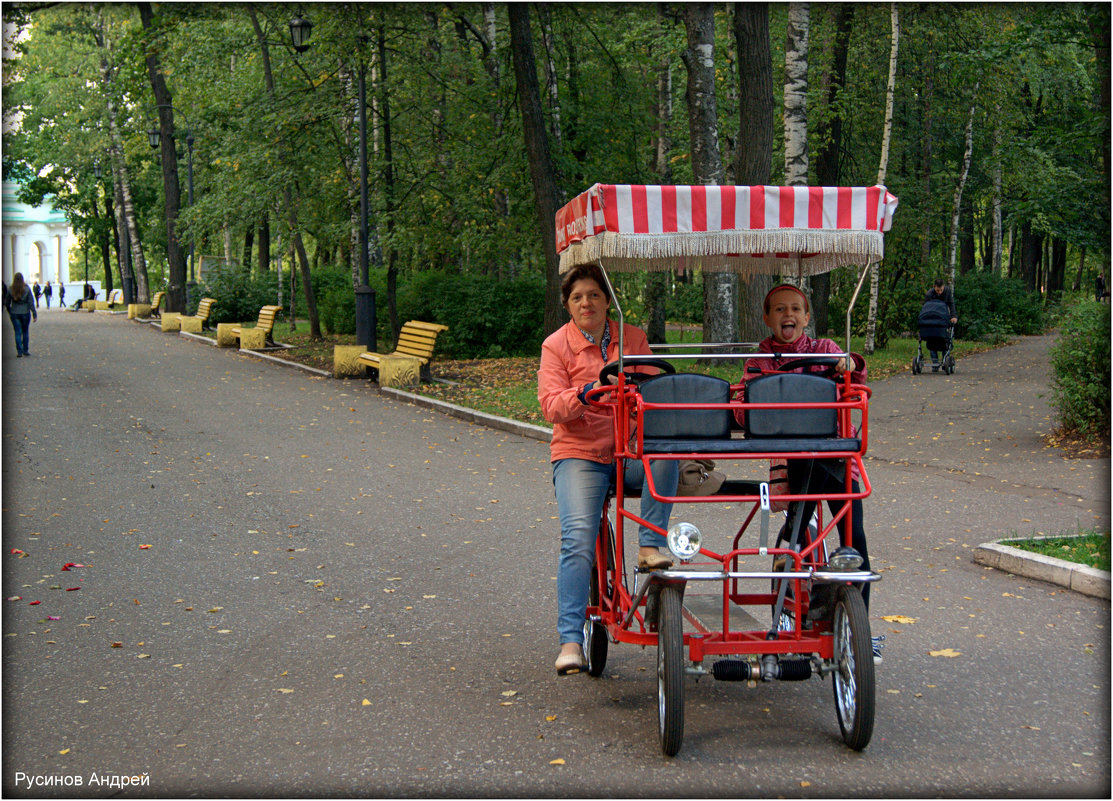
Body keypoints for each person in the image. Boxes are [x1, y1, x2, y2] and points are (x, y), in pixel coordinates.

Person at [538, 263, 679, 675]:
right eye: (578, 297)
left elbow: (657, 390)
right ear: (568, 305)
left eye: (595, 295)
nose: (587, 303)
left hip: (627, 454)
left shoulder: (631, 338)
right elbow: (551, 406)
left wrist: (640, 398)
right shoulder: (555, 346)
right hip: (579, 453)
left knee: (666, 450)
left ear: (607, 300)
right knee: (578, 538)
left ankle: (650, 545)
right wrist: (585, 393)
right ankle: (570, 641)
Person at [733, 284, 881, 662]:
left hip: (834, 454)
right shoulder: (761, 361)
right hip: (794, 458)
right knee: (796, 536)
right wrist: (749, 404)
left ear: (806, 317)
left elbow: (856, 378)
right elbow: (742, 404)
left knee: (854, 538)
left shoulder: (825, 350)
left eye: (796, 309)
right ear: (767, 319)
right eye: (780, 309)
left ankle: (858, 627)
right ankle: (787, 616)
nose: (789, 315)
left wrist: (852, 365)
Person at [924, 278, 956, 369]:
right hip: (932, 319)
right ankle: (935, 364)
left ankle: (945, 361)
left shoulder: (947, 292)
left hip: (944, 319)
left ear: (943, 287)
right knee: (932, 340)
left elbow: (951, 304)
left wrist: (953, 316)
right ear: (934, 287)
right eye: (938, 290)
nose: (939, 292)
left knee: (945, 340)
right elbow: (926, 308)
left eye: (941, 290)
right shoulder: (929, 294)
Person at [4, 272, 38, 357]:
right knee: (25, 331)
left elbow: (7, 302)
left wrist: (10, 311)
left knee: (17, 332)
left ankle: (19, 351)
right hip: (25, 312)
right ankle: (25, 350)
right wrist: (34, 314)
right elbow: (31, 302)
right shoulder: (26, 288)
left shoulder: (11, 289)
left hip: (15, 312)